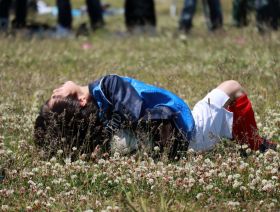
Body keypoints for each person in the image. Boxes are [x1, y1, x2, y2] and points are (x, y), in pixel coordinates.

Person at [34, 75, 276, 160]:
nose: (59, 88)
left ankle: (236, 135)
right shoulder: (106, 86)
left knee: (219, 111)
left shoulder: (97, 121)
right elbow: (134, 108)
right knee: (232, 86)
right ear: (80, 100)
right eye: (58, 95)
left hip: (177, 143)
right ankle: (256, 145)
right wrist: (80, 86)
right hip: (188, 132)